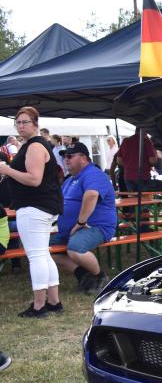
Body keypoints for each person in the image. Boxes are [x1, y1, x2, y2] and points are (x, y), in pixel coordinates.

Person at [0, 106, 64, 317]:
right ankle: (54, 302)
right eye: (17, 122)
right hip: (42, 207)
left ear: (35, 123)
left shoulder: (35, 147)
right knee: (43, 254)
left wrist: (7, 170)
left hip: (35, 207)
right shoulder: (36, 145)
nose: (20, 126)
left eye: (24, 122)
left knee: (36, 256)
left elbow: (34, 179)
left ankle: (39, 306)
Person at [51, 142, 116, 293]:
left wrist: (80, 222)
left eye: (70, 156)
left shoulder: (93, 174)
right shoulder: (70, 179)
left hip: (95, 227)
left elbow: (92, 194)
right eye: (64, 157)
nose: (66, 160)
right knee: (43, 250)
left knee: (75, 249)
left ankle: (100, 277)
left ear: (84, 158)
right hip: (70, 230)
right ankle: (84, 275)